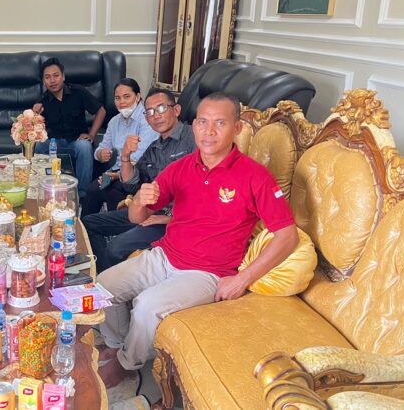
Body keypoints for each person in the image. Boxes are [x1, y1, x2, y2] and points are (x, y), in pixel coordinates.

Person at [96, 92, 299, 387]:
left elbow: (288, 236)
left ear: (237, 128)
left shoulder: (255, 176)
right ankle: (116, 345)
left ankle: (128, 363)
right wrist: (139, 199)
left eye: (220, 123)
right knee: (103, 285)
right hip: (165, 255)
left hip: (207, 273)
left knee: (147, 305)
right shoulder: (180, 168)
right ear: (194, 126)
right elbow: (137, 218)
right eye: (203, 122)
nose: (209, 131)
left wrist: (243, 279)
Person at [83, 88, 195, 272]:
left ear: (176, 110)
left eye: (161, 108)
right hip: (149, 211)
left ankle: (106, 281)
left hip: (176, 221)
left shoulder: (193, 138)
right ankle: (101, 275)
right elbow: (132, 184)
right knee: (89, 221)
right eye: (149, 112)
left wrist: (170, 218)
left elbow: (204, 189)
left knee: (115, 248)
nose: (155, 116)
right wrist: (125, 156)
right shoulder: (154, 148)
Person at [82, 78, 159, 215]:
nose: (121, 102)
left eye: (126, 96)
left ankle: (115, 226)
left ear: (138, 97)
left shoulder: (147, 119)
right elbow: (100, 149)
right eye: (117, 98)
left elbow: (139, 159)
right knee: (93, 189)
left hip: (139, 174)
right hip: (114, 172)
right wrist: (100, 154)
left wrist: (117, 176)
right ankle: (83, 225)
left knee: (113, 194)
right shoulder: (114, 121)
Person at [32, 58, 107, 196]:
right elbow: (36, 131)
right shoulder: (42, 101)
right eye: (47, 77)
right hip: (54, 142)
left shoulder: (78, 92)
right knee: (39, 146)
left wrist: (91, 134)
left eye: (56, 75)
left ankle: (83, 194)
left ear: (63, 77)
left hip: (76, 141)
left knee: (84, 146)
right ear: (43, 81)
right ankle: (44, 189)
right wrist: (34, 115)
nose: (52, 80)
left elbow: (101, 111)